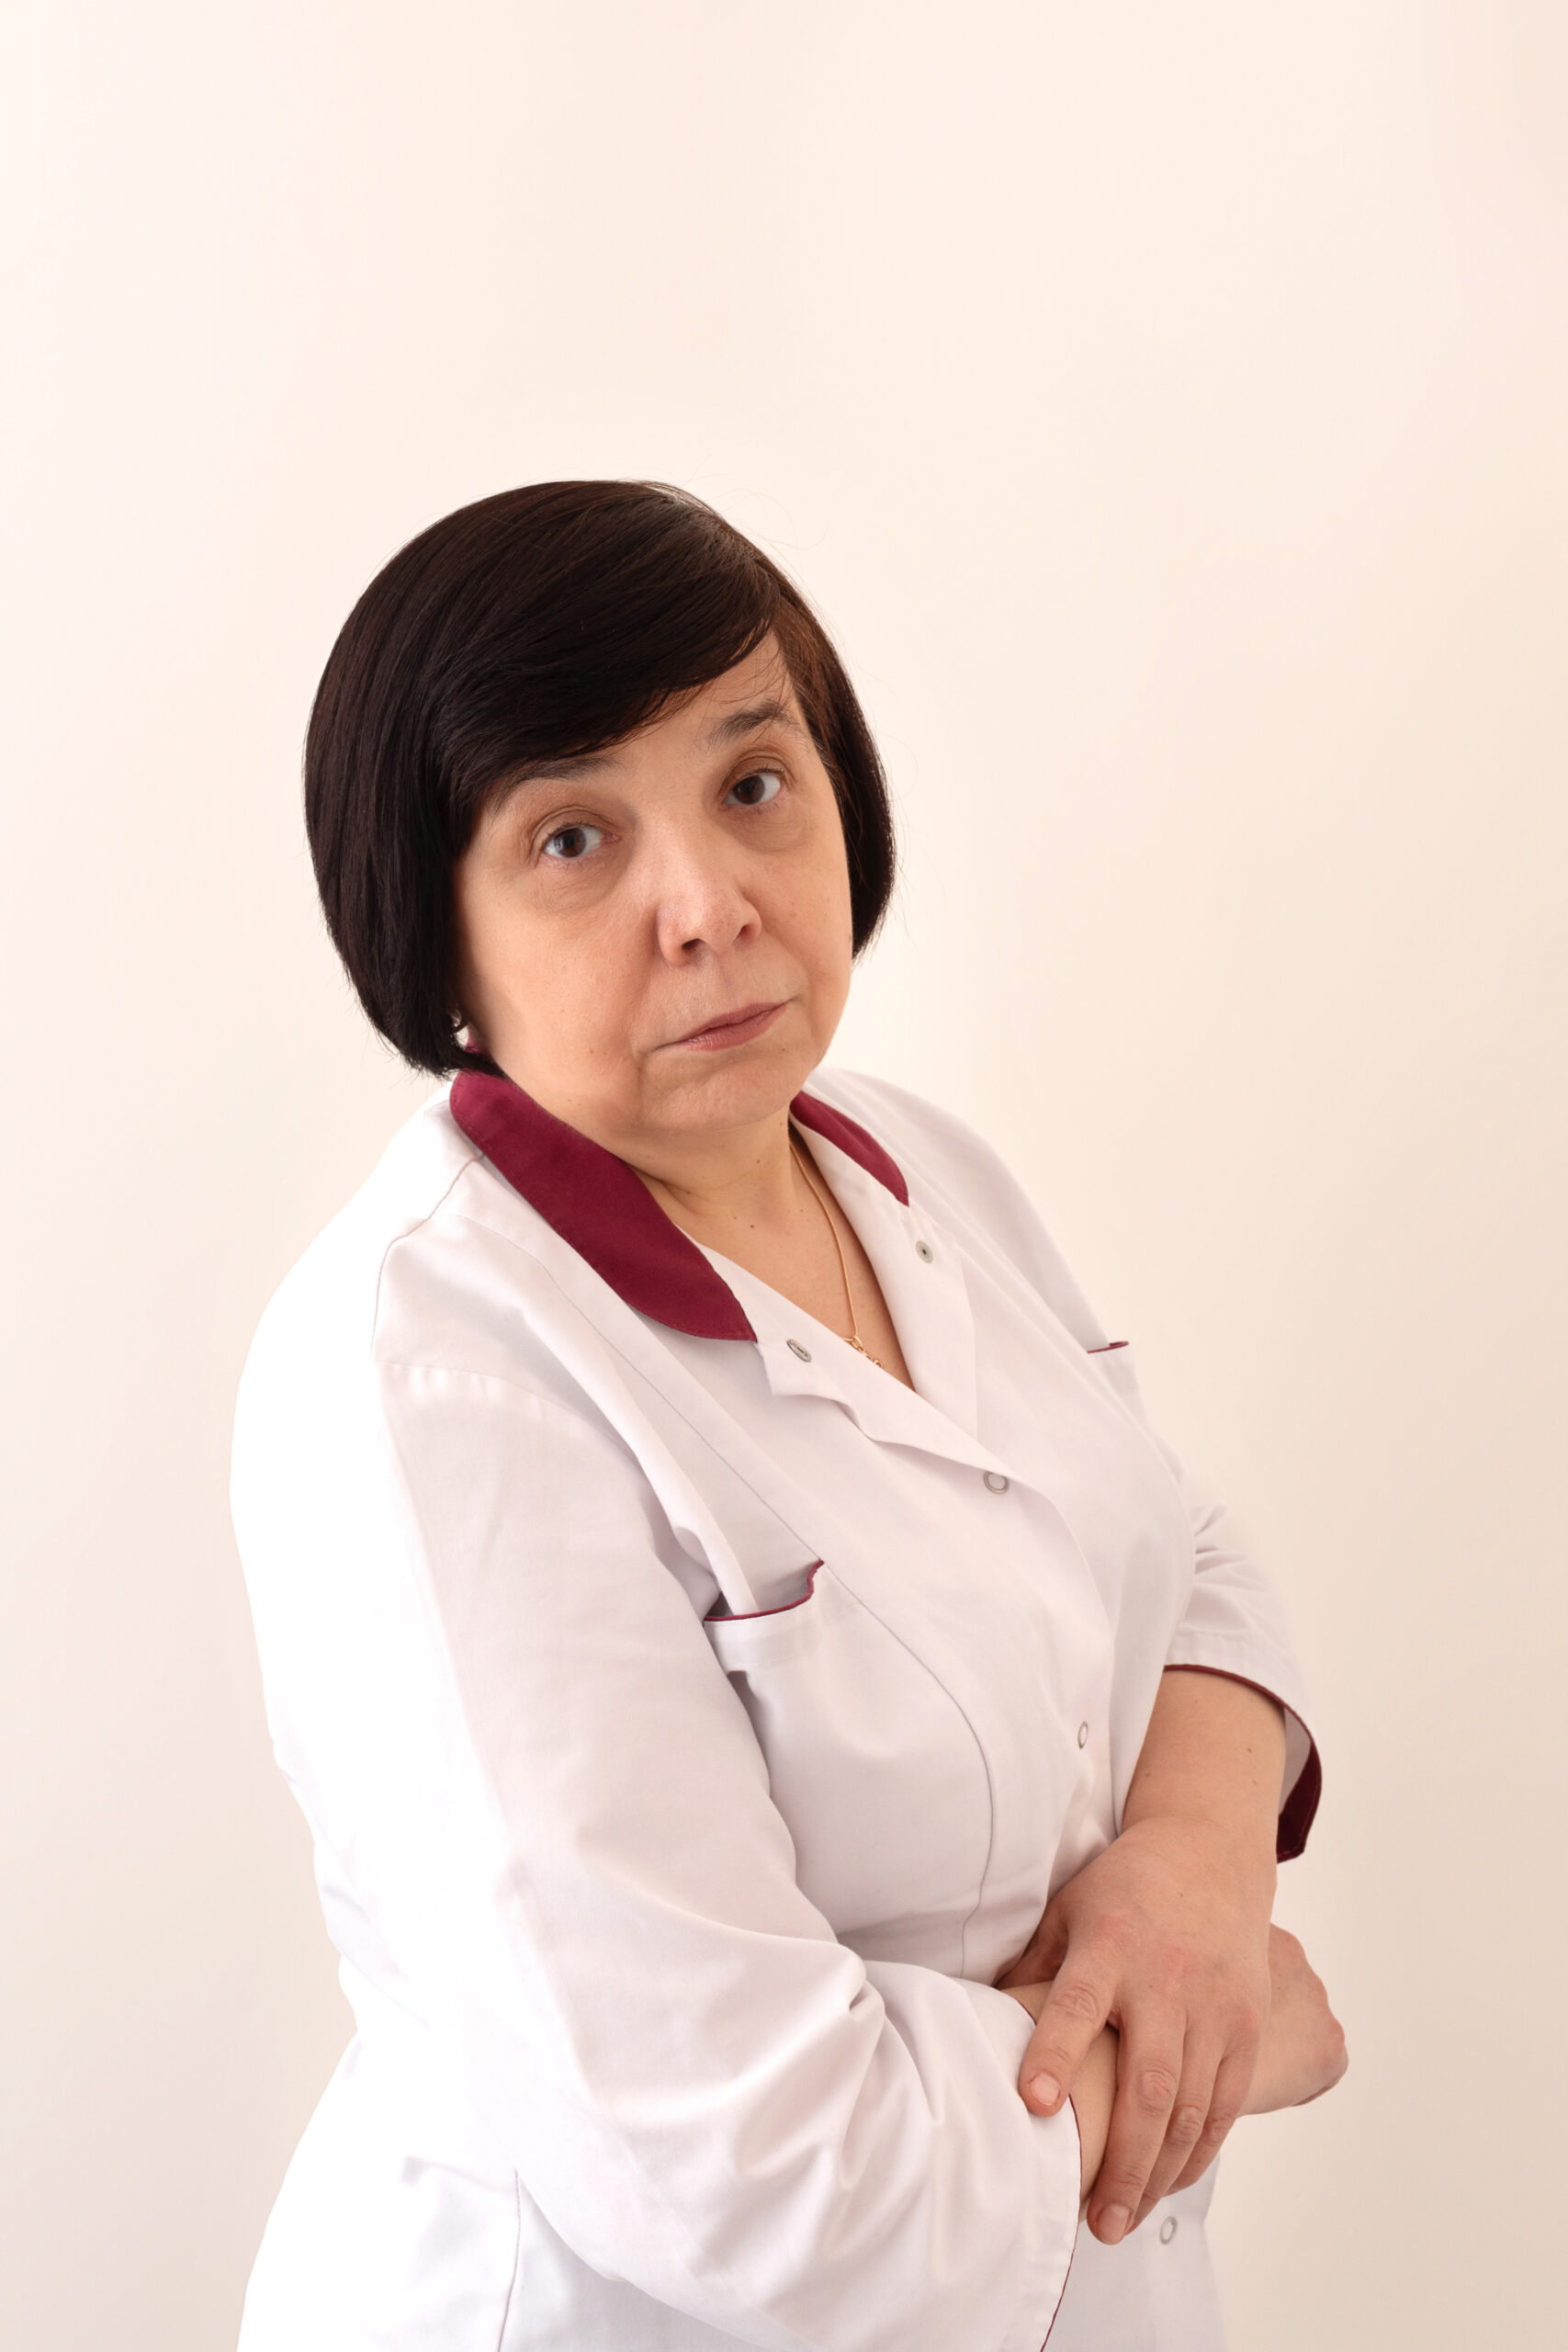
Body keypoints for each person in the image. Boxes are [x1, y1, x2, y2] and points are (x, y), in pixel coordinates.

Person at [231, 481, 1346, 2352]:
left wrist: (1191, 1871)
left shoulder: (908, 1166)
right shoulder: (427, 1374)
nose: (709, 907)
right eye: (572, 836)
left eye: (753, 782)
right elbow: (756, 2173)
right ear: (433, 931)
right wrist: (1219, 2047)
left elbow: (1175, 1547)